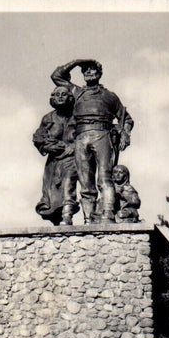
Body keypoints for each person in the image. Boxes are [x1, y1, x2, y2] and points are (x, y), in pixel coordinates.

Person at [51, 59, 133, 223]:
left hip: (102, 134)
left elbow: (127, 119)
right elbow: (57, 76)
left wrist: (124, 133)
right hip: (81, 136)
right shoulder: (77, 92)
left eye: (92, 70)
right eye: (85, 70)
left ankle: (108, 214)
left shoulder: (110, 96)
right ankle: (89, 219)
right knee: (85, 181)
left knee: (105, 178)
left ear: (99, 73)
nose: (88, 72)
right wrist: (77, 62)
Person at [32, 85, 79, 226]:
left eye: (63, 94)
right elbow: (39, 138)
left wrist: (74, 146)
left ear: (70, 98)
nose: (60, 97)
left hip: (72, 157)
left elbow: (85, 135)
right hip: (53, 161)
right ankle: (57, 221)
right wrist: (48, 146)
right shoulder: (48, 118)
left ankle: (67, 213)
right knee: (51, 192)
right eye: (56, 94)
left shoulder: (77, 117)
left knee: (68, 181)